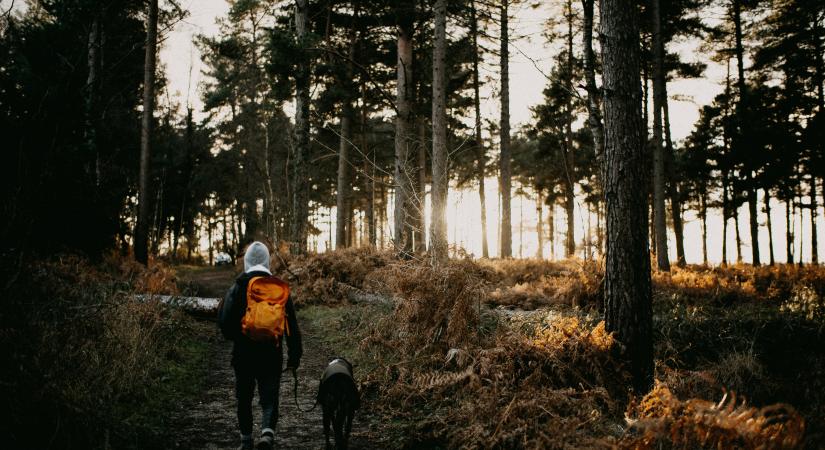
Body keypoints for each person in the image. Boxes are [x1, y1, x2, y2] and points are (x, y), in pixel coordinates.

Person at [218, 241, 302, 450]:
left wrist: (239, 335)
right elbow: (292, 326)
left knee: (244, 397)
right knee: (269, 396)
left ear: (246, 262)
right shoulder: (279, 288)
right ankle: (267, 433)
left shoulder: (238, 286)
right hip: (271, 353)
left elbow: (226, 326)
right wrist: (294, 356)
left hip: (243, 355)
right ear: (267, 261)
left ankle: (246, 440)